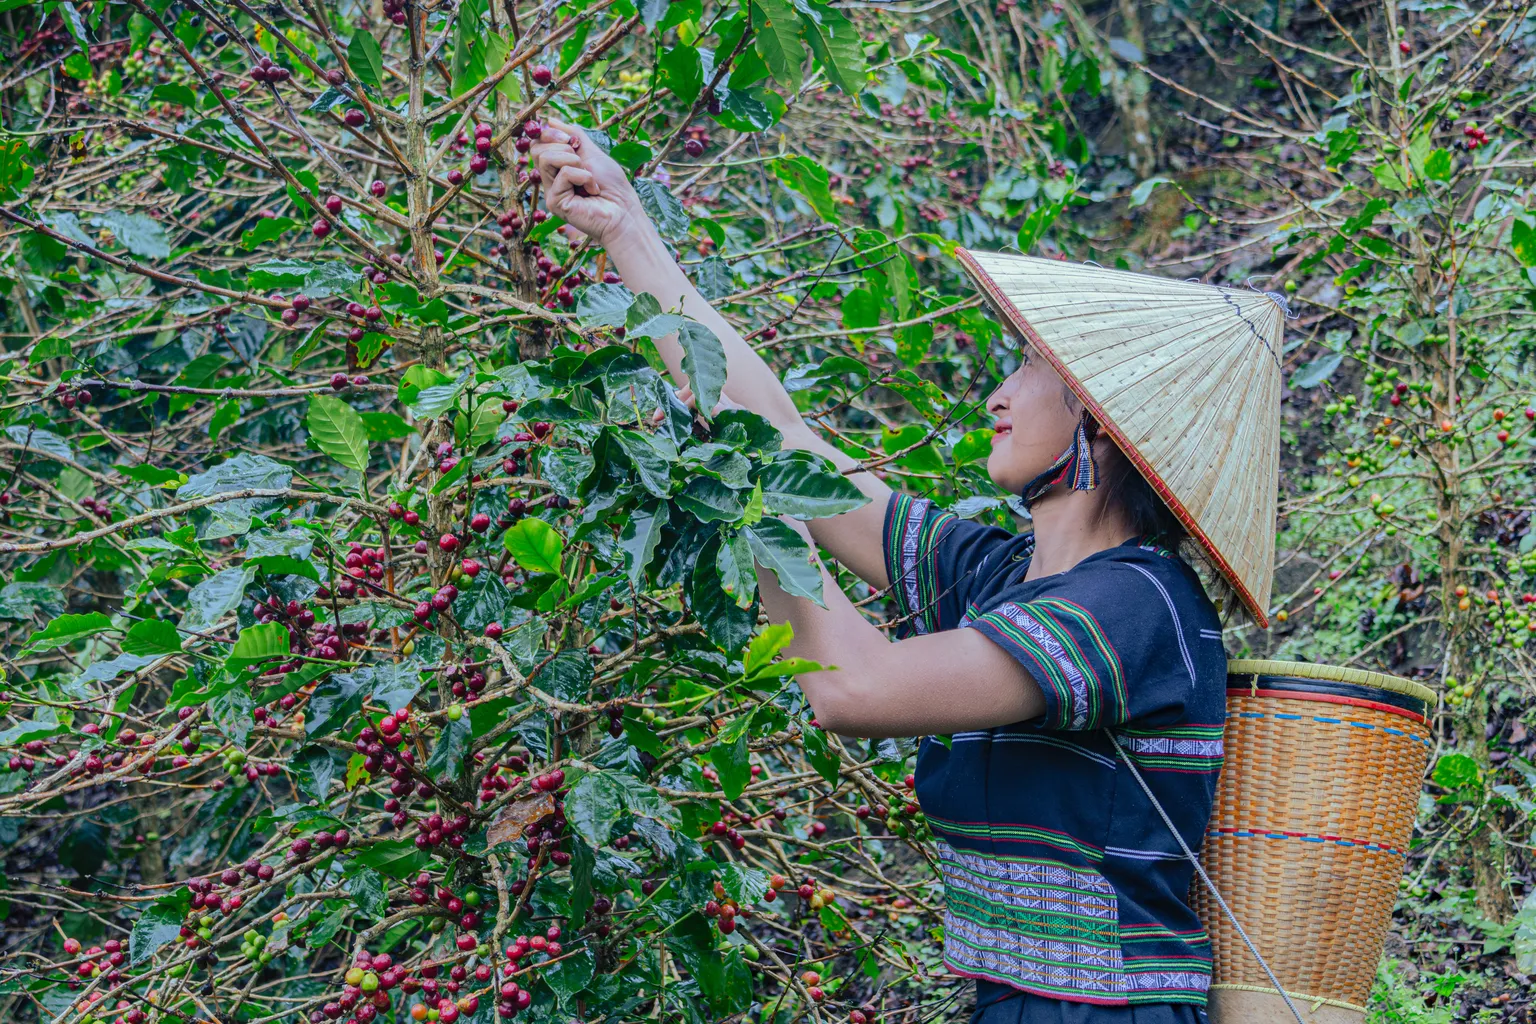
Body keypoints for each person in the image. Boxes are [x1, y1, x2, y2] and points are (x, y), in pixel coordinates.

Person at [531, 121, 1283, 1023]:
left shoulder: (1136, 604)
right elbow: (786, 435)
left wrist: (743, 487)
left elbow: (854, 689)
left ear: (1099, 422)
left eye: (1028, 367)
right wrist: (627, 231)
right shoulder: (1002, 577)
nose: (997, 395)